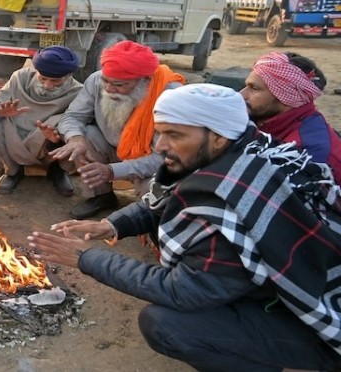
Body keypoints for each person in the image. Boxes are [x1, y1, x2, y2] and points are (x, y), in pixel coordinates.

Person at [28, 83, 341, 371]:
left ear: (217, 136)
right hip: (294, 280)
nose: (161, 146)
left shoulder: (227, 201)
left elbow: (185, 290)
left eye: (174, 135)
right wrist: (111, 225)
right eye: (160, 133)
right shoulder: (246, 147)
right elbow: (165, 196)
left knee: (164, 325)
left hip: (315, 319)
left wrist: (86, 258)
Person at [52, 40, 185, 219]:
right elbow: (73, 116)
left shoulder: (171, 97)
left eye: (119, 85)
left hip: (151, 160)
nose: (108, 89)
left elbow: (165, 157)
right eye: (106, 81)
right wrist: (75, 138)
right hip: (111, 147)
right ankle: (101, 196)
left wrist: (112, 170)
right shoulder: (97, 80)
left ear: (144, 81)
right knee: (85, 137)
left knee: (155, 188)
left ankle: (145, 216)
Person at [0, 45, 83, 195]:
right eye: (42, 78)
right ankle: (13, 171)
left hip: (47, 140)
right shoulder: (20, 77)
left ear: (69, 76)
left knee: (77, 129)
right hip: (15, 135)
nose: (48, 85)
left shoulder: (78, 91)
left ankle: (58, 171)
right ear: (36, 71)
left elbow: (81, 121)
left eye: (56, 81)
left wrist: (56, 138)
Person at [241, 51, 341, 183]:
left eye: (254, 88)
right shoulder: (264, 123)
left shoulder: (308, 153)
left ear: (287, 97)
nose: (241, 95)